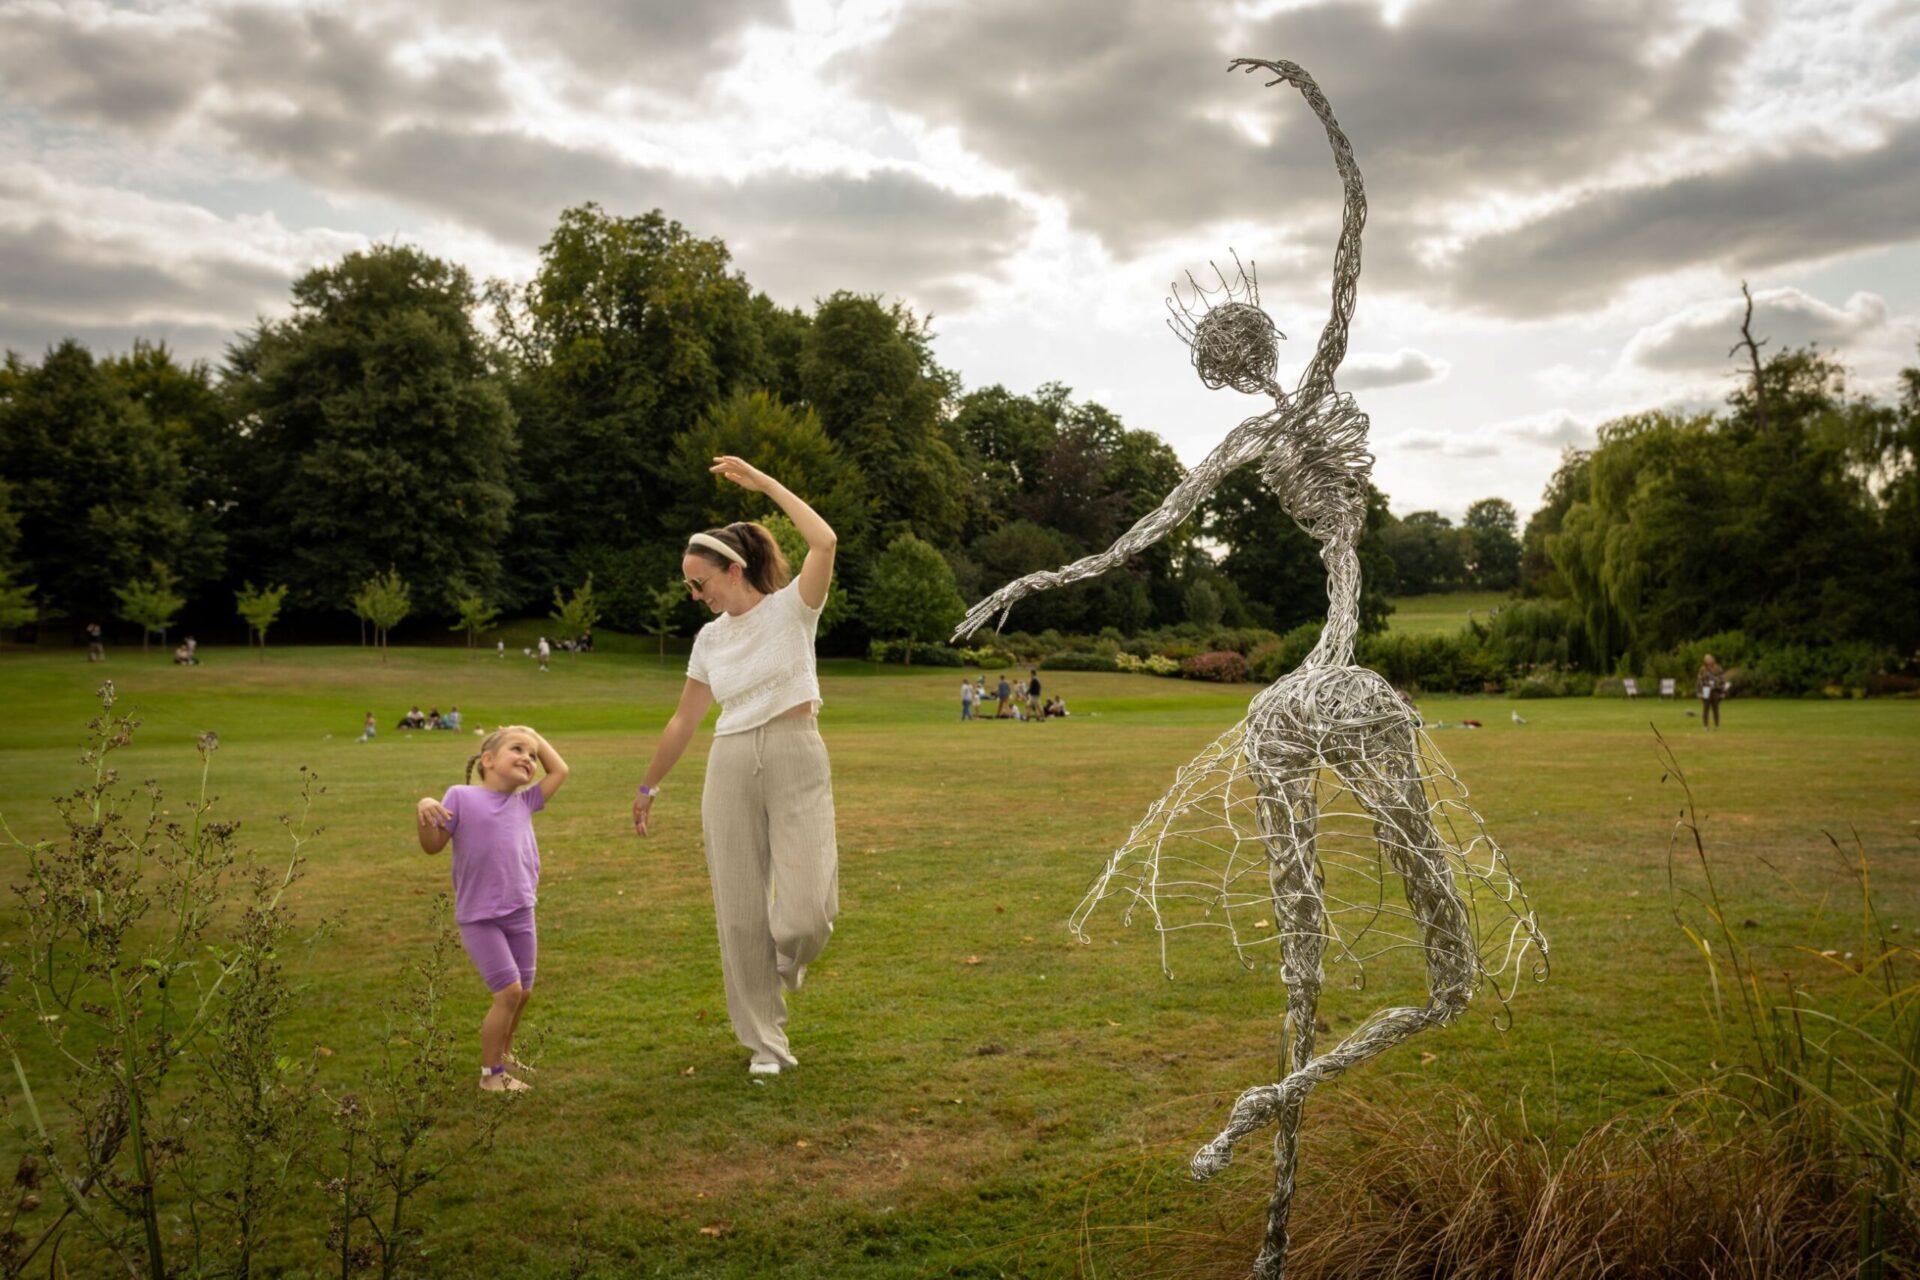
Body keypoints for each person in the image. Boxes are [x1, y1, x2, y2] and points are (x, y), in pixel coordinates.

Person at [631, 457, 839, 1079]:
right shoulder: (709, 641)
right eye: (690, 588)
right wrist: (648, 785)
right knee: (740, 909)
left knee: (806, 915)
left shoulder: (794, 609)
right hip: (728, 761)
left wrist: (766, 484)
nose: (697, 596)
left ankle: (785, 963)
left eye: (701, 582)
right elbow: (683, 720)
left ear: (734, 568)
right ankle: (764, 1045)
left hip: (795, 751)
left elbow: (824, 540)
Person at [415, 725, 569, 1093]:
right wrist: (423, 808)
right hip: (481, 917)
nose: (529, 759)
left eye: (532, 756)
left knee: (524, 992)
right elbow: (433, 846)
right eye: (517, 750)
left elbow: (560, 770)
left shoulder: (525, 802)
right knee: (508, 994)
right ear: (488, 761)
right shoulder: (461, 796)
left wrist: (532, 734)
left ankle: (504, 1051)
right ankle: (491, 1074)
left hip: (520, 912)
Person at [1696, 653, 1728, 730]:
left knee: (1716, 709)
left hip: (1715, 691)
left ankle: (1717, 725)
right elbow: (1699, 682)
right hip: (1706, 691)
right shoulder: (1702, 670)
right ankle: (1705, 726)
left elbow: (1723, 680)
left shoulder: (1718, 669)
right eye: (1706, 659)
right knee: (1705, 709)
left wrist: (1723, 692)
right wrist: (1699, 692)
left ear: (1712, 659)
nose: (1708, 660)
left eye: (1709, 658)